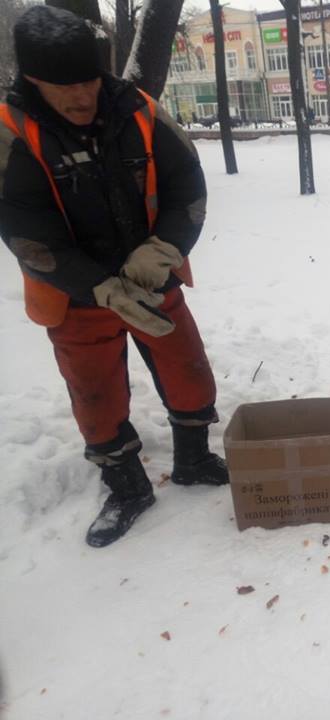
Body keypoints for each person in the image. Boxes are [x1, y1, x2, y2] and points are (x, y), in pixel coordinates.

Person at [0, 5, 228, 547]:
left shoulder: (140, 112)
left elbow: (187, 189)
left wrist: (164, 250)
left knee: (188, 369)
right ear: (32, 81)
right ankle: (127, 488)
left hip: (153, 280)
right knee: (96, 395)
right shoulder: (10, 138)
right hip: (75, 296)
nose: (81, 97)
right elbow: (29, 234)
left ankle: (194, 461)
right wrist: (98, 285)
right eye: (64, 87)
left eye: (88, 82)